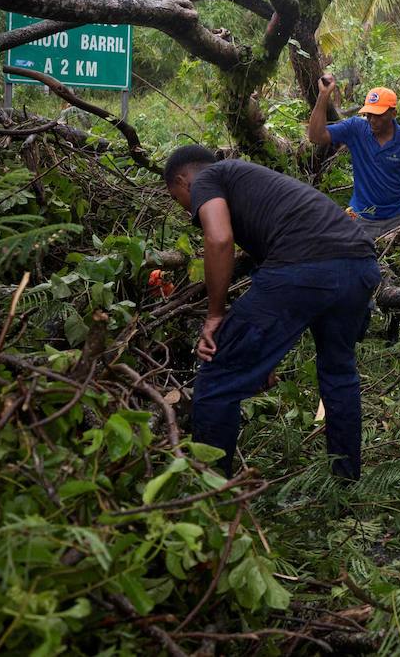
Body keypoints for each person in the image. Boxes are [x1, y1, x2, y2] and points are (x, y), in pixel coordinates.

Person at [163, 145, 381, 479]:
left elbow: (219, 239)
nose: (185, 209)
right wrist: (263, 359)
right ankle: (346, 482)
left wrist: (215, 315)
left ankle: (209, 494)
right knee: (338, 374)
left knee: (217, 376)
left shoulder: (207, 177)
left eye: (177, 198)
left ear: (183, 181)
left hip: (306, 265)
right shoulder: (254, 183)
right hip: (359, 266)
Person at [305, 76, 400, 240]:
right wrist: (323, 96)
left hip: (395, 221)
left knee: (392, 263)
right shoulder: (356, 128)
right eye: (369, 114)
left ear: (393, 113)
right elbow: (316, 136)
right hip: (359, 216)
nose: (372, 120)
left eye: (378, 115)